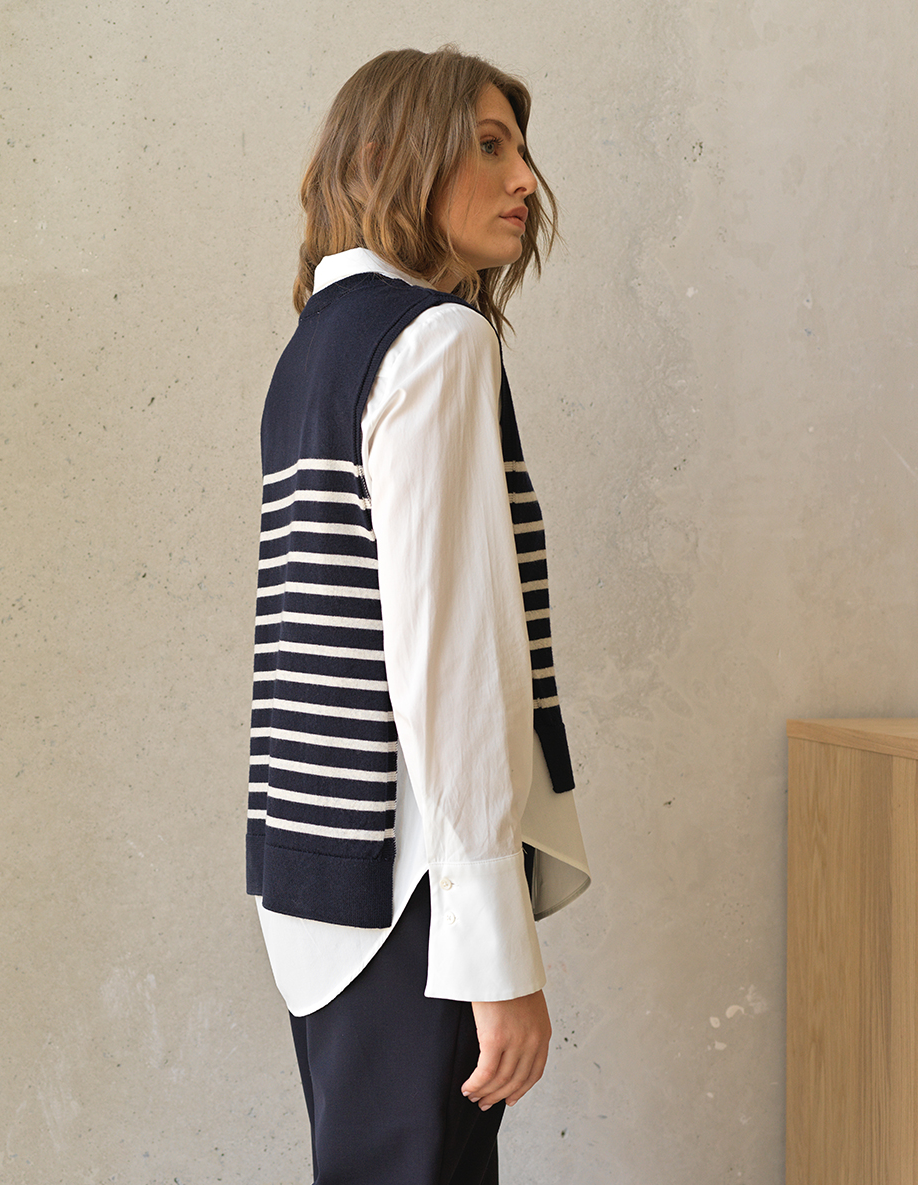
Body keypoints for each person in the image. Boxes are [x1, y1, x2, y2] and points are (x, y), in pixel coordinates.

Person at [246, 46, 590, 1185]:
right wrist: (495, 954)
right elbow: (451, 663)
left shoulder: (314, 349)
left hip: (318, 879)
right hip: (415, 891)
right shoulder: (437, 340)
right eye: (488, 145)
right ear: (395, 155)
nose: (525, 178)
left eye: (521, 148)